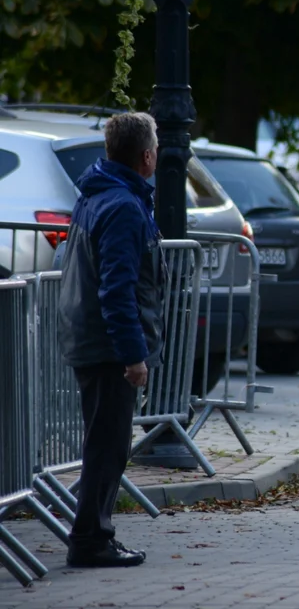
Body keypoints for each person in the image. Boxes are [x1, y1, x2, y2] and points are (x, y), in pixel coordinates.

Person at [57, 112, 165, 568]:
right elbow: (117, 289)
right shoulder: (122, 205)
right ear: (146, 156)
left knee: (104, 442)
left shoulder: (98, 194)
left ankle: (93, 534)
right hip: (108, 346)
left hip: (92, 338)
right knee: (108, 445)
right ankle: (91, 540)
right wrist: (133, 355)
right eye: (157, 148)